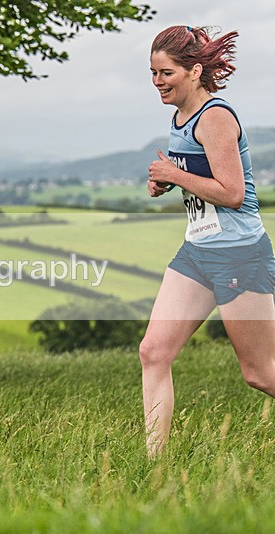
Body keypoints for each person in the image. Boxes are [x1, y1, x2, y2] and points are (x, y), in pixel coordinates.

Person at [141, 25, 275, 455]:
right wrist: (164, 183)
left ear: (195, 71)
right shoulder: (179, 117)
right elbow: (197, 179)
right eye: (153, 73)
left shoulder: (216, 116)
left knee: (260, 373)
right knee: (153, 352)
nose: (158, 82)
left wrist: (176, 175)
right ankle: (153, 462)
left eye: (166, 73)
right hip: (198, 252)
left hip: (238, 256)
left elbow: (233, 194)